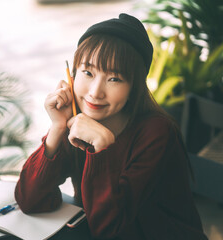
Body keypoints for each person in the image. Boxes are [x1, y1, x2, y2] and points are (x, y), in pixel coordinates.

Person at [14, 13, 208, 240]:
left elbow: (111, 231)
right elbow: (29, 200)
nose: (95, 92)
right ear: (73, 73)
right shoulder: (75, 122)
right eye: (88, 72)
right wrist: (57, 128)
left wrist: (101, 150)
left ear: (134, 87)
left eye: (114, 78)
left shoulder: (156, 133)